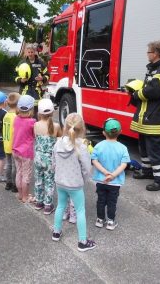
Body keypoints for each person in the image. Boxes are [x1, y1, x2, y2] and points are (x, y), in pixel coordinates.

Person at [129, 41, 160, 191]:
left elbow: (154, 91)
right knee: (144, 147)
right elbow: (149, 87)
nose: (147, 54)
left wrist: (136, 93)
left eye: (148, 52)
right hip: (146, 116)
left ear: (155, 53)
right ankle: (147, 172)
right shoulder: (155, 69)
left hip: (154, 117)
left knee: (155, 150)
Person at [51, 113, 96, 252]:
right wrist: (83, 179)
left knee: (60, 206)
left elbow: (53, 162)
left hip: (60, 181)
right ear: (82, 128)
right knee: (80, 210)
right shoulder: (81, 146)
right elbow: (87, 168)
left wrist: (58, 173)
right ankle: (82, 241)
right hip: (75, 184)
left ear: (65, 126)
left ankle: (56, 232)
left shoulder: (58, 142)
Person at [92, 118, 130, 230]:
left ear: (103, 132)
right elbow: (124, 164)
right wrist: (113, 175)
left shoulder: (98, 146)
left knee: (101, 200)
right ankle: (110, 222)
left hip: (101, 180)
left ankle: (99, 219)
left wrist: (104, 172)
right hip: (115, 182)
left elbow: (94, 160)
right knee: (112, 202)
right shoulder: (123, 148)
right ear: (120, 131)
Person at [33, 99, 61, 214]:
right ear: (52, 112)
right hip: (50, 159)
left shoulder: (35, 124)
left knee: (39, 180)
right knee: (49, 181)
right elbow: (60, 140)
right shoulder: (56, 126)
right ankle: (48, 205)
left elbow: (36, 138)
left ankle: (39, 202)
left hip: (38, 157)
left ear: (39, 113)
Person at [13, 95, 36, 203]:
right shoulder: (32, 122)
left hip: (15, 150)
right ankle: (25, 197)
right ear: (31, 109)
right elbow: (34, 135)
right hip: (26, 152)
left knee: (19, 172)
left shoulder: (16, 119)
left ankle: (20, 194)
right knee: (26, 175)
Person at [15, 44, 49, 115]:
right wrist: (21, 80)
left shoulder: (41, 63)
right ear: (26, 52)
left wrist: (42, 78)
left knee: (36, 112)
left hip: (37, 91)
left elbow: (47, 75)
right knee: (24, 111)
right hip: (24, 90)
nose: (30, 54)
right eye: (29, 52)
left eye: (32, 52)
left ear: (35, 52)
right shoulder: (21, 63)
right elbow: (15, 77)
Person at [2, 92, 20, 192]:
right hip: (14, 144)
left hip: (6, 142)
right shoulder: (16, 117)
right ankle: (14, 184)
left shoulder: (6, 115)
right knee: (14, 165)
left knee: (8, 164)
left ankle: (8, 182)